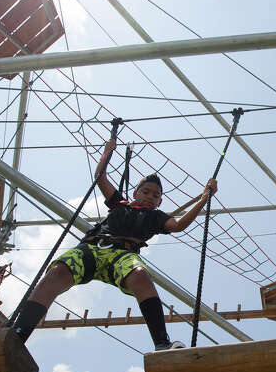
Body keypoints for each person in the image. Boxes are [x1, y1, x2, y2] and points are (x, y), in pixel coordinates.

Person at [13, 138, 217, 351]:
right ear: (135, 193)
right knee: (58, 272)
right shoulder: (119, 204)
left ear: (160, 202)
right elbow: (100, 177)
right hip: (93, 248)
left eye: (155, 195)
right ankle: (18, 335)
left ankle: (162, 343)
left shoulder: (156, 217)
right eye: (145, 192)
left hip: (123, 255)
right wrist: (106, 153)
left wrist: (204, 198)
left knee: (140, 276)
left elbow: (178, 225)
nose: (150, 197)